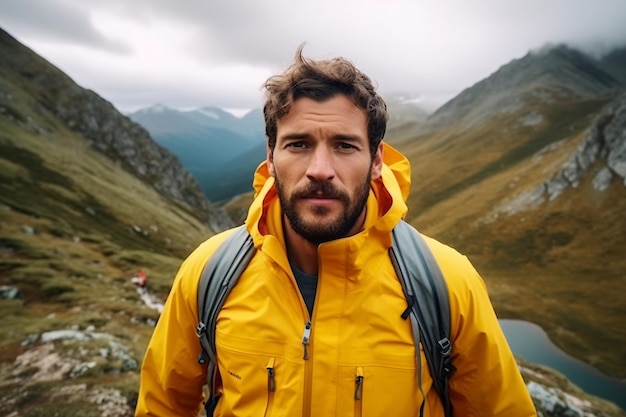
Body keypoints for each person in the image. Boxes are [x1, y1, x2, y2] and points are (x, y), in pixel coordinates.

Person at [135, 45, 537, 416]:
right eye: (298, 145)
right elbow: (162, 407)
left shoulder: (448, 283)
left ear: (377, 160)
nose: (320, 170)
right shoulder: (208, 273)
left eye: (345, 145)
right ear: (270, 157)